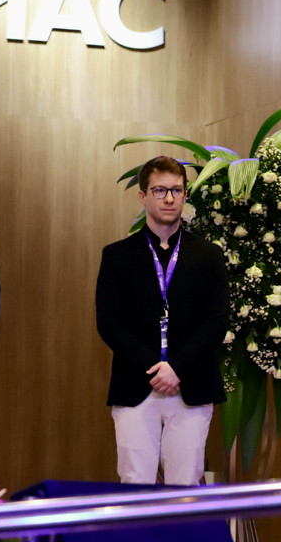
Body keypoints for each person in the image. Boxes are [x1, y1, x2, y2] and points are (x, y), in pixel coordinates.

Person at [96, 156, 229, 485]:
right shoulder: (117, 255)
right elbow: (109, 322)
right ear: (143, 196)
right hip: (136, 384)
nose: (169, 198)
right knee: (135, 484)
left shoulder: (209, 255)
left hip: (191, 383)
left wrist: (177, 368)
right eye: (160, 190)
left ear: (185, 195)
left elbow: (217, 321)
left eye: (176, 190)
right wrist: (154, 369)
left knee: (185, 487)